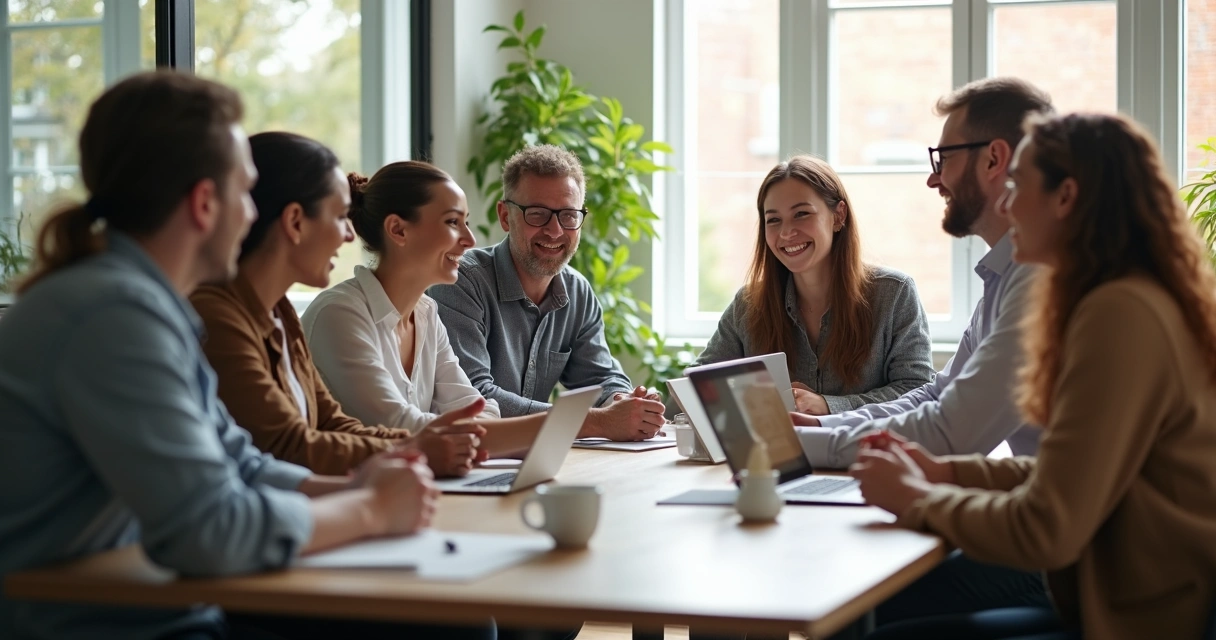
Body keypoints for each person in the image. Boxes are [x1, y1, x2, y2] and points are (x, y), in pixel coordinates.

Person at [0, 71, 491, 639]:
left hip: (163, 605)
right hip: (101, 626)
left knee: (458, 621)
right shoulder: (112, 316)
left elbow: (243, 464)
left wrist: (362, 485)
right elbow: (210, 530)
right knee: (454, 626)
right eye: (245, 190)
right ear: (206, 203)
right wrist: (371, 510)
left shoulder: (147, 307)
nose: (254, 212)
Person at [853, 112, 1216, 640]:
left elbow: (1048, 528)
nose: (1004, 203)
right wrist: (945, 474)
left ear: (1066, 197)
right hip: (1118, 597)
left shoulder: (1120, 313)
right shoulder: (1128, 297)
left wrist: (916, 498)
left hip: (1142, 619)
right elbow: (1062, 471)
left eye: (1018, 184)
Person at [798, 78, 1057, 628]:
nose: (932, 177)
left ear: (995, 159)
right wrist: (815, 431)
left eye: (943, 156)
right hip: (1054, 523)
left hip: (1079, 556)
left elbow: (952, 433)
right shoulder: (1005, 276)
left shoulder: (1039, 278)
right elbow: (940, 395)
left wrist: (800, 443)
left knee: (856, 595)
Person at [191, 131, 485, 478]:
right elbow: (288, 445)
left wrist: (413, 447)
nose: (349, 234)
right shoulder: (219, 316)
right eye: (339, 216)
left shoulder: (280, 313)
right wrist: (416, 449)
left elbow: (331, 422)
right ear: (296, 222)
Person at [301, 161, 547, 459]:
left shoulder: (427, 313)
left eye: (465, 222)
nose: (470, 240)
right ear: (398, 230)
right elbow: (402, 429)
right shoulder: (339, 316)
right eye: (453, 222)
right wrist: (579, 423)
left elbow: (477, 407)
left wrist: (468, 434)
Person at [429, 144, 666, 442]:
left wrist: (624, 403)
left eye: (568, 215)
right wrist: (594, 422)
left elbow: (600, 377)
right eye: (537, 214)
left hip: (529, 460)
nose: (554, 231)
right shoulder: (461, 281)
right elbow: (476, 398)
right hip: (459, 461)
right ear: (505, 216)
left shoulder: (578, 291)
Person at [693, 155, 934, 415]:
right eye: (773, 220)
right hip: (775, 455)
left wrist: (828, 406)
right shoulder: (749, 304)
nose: (786, 233)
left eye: (801, 214)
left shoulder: (895, 294)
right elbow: (697, 388)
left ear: (838, 215)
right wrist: (650, 411)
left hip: (864, 454)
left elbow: (918, 391)